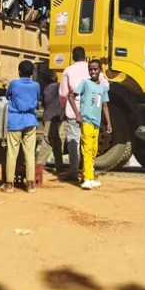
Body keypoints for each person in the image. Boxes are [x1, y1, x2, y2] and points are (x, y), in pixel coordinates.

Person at [59, 47, 108, 181]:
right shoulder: (94, 69)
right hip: (92, 112)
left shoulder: (68, 70)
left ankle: (74, 171)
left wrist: (63, 107)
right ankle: (88, 171)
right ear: (85, 56)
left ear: (73, 57)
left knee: (74, 140)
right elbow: (106, 86)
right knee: (90, 144)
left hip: (74, 111)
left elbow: (63, 94)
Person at [68, 60, 112, 191]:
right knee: (87, 149)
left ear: (100, 70)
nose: (92, 72)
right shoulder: (85, 83)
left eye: (95, 69)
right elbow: (71, 96)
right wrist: (77, 114)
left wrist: (108, 122)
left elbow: (105, 105)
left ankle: (86, 176)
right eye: (90, 69)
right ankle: (88, 179)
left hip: (96, 122)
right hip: (86, 121)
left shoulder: (102, 88)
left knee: (93, 150)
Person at [1, 61, 40, 193]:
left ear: (19, 72)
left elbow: (7, 95)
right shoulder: (36, 85)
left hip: (15, 120)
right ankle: (30, 185)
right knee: (30, 154)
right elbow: (37, 98)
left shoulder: (14, 84)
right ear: (32, 73)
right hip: (30, 120)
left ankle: (9, 185)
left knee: (12, 153)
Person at [37, 70, 64, 173]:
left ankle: (59, 168)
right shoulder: (57, 87)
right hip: (52, 119)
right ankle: (39, 165)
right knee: (48, 143)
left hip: (50, 118)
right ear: (53, 77)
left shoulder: (46, 89)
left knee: (57, 144)